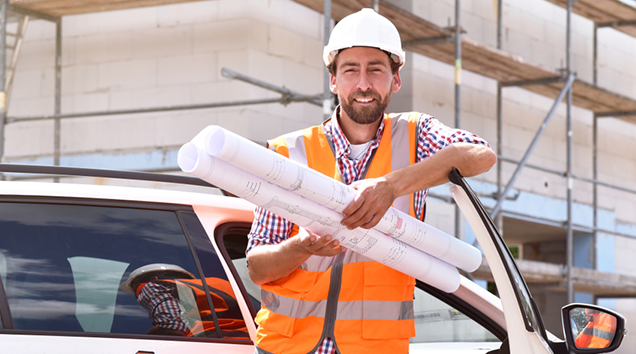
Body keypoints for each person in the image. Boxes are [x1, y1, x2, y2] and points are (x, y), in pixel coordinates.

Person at [246, 8, 497, 354]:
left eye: (375, 70)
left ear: (395, 79)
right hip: (287, 348)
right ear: (333, 80)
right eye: (350, 70)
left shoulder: (415, 135)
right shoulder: (289, 152)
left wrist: (392, 186)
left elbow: (482, 155)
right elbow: (257, 268)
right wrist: (301, 246)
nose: (363, 83)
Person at [120, 263, 249, 339]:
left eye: (136, 291)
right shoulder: (220, 284)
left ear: (154, 278)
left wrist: (146, 338)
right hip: (248, 342)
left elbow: (173, 326)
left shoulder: (152, 285)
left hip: (210, 343)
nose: (139, 297)